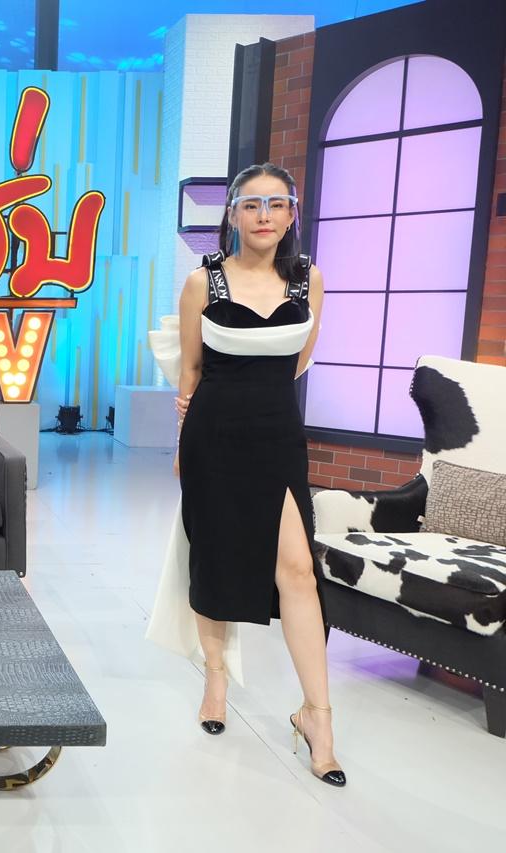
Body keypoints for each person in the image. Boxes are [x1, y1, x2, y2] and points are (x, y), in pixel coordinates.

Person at [171, 163, 344, 786]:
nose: (264, 215)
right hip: (214, 435)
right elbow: (191, 370)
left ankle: (317, 716)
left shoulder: (308, 279)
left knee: (297, 570)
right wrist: (182, 440)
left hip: (277, 435)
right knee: (214, 557)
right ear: (233, 214)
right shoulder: (203, 282)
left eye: (276, 203)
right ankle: (216, 677)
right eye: (251, 204)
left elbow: (297, 361)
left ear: (292, 213)